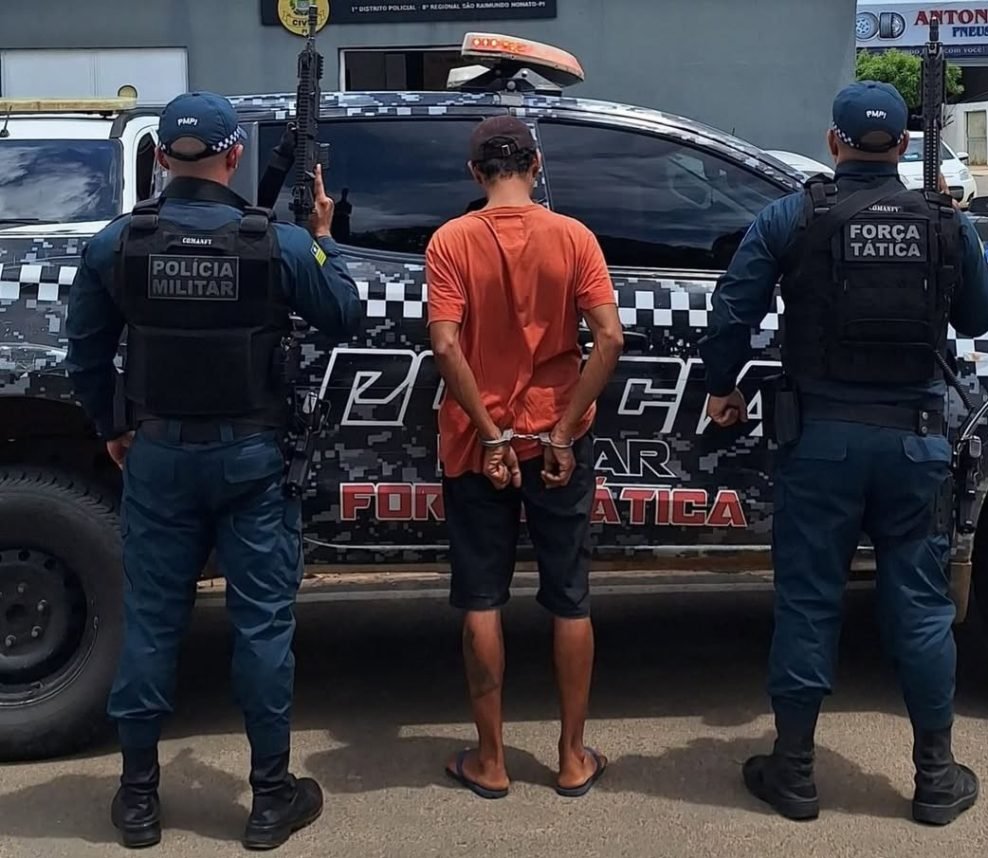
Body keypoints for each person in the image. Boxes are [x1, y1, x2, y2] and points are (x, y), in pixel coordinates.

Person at [65, 91, 362, 850]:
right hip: (251, 460)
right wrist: (323, 238)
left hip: (158, 456)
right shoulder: (279, 243)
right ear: (235, 155)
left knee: (151, 622)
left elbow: (86, 355)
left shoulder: (117, 243)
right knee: (261, 626)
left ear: (162, 157)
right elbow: (345, 312)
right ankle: (269, 800)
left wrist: (113, 427)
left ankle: (138, 800)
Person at [698, 82, 988, 825]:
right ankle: (936, 779)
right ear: (902, 146)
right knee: (922, 609)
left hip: (821, 443)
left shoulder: (792, 215)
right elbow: (982, 316)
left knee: (808, 603)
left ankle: (795, 774)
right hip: (914, 444)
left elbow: (732, 309)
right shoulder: (944, 222)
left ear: (833, 142)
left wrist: (721, 387)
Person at [425, 116, 624, 799]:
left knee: (482, 597)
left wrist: (490, 434)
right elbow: (610, 338)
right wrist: (563, 432)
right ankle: (571, 758)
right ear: (536, 166)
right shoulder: (574, 237)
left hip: (477, 444)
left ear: (474, 172)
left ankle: (491, 761)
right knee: (570, 597)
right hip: (555, 439)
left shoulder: (451, 241)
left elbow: (445, 345)